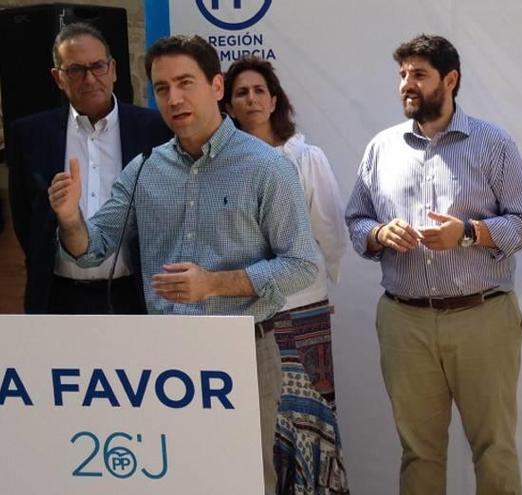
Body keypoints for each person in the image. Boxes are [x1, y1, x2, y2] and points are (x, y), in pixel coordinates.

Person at [47, 35, 319, 495]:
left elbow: (301, 264)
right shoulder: (144, 170)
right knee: (175, 481)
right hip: (164, 360)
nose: (173, 98)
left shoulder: (266, 167)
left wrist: (214, 283)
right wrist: (71, 218)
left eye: (185, 83)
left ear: (216, 86)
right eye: (161, 88)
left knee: (247, 481)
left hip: (243, 352)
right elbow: (92, 248)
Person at [345, 34, 522, 495]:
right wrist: (378, 234)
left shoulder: (493, 143)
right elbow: (355, 220)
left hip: (483, 317)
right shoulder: (381, 148)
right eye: (402, 75)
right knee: (419, 451)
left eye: (418, 75)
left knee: (494, 449)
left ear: (449, 80)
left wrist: (470, 232)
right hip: (404, 320)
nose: (406, 85)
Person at [223, 55, 350, 494]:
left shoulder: (304, 157)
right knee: (257, 423)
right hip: (243, 311)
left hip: (302, 309)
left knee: (307, 420)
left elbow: (330, 230)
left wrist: (322, 288)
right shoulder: (219, 162)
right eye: (242, 92)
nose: (252, 99)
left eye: (259, 90)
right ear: (229, 104)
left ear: (274, 100)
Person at [7, 22, 170, 314]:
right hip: (59, 297)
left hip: (135, 296)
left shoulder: (155, 130)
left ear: (114, 69)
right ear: (58, 77)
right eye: (75, 70)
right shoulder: (29, 135)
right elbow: (26, 219)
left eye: (98, 66)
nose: (90, 78)